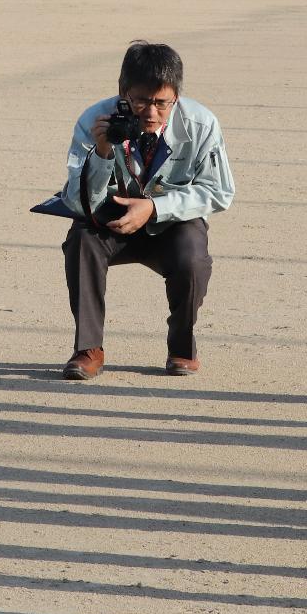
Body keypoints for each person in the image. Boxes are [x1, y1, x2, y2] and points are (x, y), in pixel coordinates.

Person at [59, 41, 234, 379]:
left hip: (173, 220)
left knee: (193, 260)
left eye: (161, 103)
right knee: (81, 241)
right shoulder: (93, 120)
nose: (150, 113)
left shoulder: (202, 124)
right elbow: (77, 201)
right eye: (140, 101)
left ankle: (182, 346)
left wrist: (154, 208)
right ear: (122, 92)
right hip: (111, 216)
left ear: (176, 97)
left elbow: (220, 191)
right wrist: (102, 153)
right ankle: (88, 350)